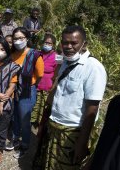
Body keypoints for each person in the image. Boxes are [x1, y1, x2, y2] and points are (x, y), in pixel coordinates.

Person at [38, 25, 107, 170]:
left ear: (84, 44)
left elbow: (92, 108)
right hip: (55, 125)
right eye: (65, 42)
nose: (68, 46)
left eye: (73, 43)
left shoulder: (93, 67)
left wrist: (82, 142)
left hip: (72, 131)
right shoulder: (65, 62)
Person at [11, 27, 44, 158]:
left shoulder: (34, 54)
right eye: (15, 38)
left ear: (27, 39)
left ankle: (24, 145)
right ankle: (15, 139)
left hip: (27, 90)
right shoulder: (13, 54)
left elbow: (40, 74)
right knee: (15, 117)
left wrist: (30, 83)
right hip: (13, 88)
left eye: (21, 38)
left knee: (25, 119)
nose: (18, 41)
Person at [31, 33, 58, 126]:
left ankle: (40, 123)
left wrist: (53, 86)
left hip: (48, 85)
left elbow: (57, 72)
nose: (47, 45)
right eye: (46, 42)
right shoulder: (37, 53)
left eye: (50, 43)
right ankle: (32, 121)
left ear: (53, 45)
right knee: (35, 104)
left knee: (44, 105)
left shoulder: (56, 57)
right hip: (37, 84)